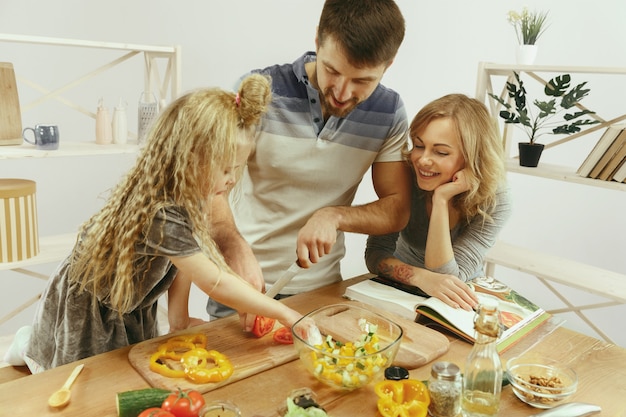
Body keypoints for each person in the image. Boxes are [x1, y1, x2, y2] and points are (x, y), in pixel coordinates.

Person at [5, 74, 302, 373]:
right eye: (225, 169)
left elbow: (181, 266)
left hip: (129, 301)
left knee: (126, 366)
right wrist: (286, 313)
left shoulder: (189, 197)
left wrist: (180, 321)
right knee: (82, 376)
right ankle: (28, 345)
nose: (232, 179)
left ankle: (32, 341)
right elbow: (214, 281)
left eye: (236, 168)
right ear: (190, 159)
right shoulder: (161, 213)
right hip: (93, 304)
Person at [208, 0, 412, 319]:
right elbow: (208, 187)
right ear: (317, 40)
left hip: (323, 293)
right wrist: (232, 247)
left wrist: (334, 216)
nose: (343, 92)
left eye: (362, 81)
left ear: (390, 63)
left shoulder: (389, 112)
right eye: (332, 70)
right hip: (241, 286)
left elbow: (397, 206)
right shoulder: (259, 91)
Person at [365, 94, 513, 311]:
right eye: (418, 145)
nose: (423, 160)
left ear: (472, 157)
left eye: (441, 152)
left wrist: (441, 199)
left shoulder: (496, 199)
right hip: (402, 287)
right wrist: (420, 278)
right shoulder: (404, 175)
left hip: (459, 297)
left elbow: (448, 278)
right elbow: (376, 253)